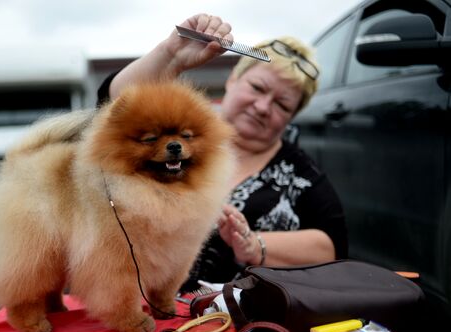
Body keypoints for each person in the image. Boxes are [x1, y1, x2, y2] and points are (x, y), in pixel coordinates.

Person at [97, 14, 348, 290]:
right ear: (232, 79)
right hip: (132, 304)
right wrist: (171, 56)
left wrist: (255, 245)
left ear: (292, 116)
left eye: (282, 105)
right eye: (257, 88)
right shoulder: (176, 124)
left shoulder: (301, 177)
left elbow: (333, 248)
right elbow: (113, 103)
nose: (263, 107)